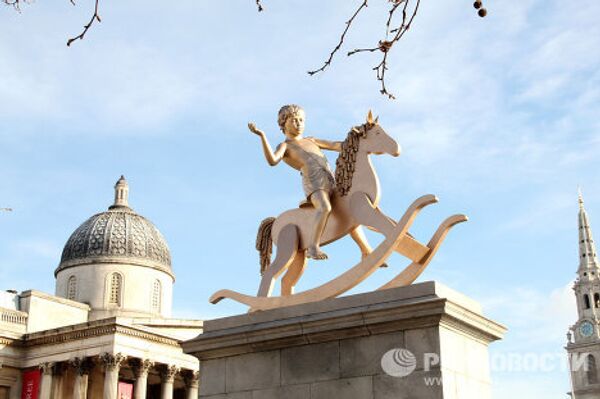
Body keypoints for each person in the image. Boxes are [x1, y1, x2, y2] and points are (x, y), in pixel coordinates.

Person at [248, 104, 342, 260]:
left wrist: (359, 137)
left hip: (330, 179)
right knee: (325, 208)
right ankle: (313, 247)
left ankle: (365, 250)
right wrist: (262, 136)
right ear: (284, 124)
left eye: (301, 120)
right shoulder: (285, 146)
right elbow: (272, 160)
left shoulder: (311, 140)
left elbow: (335, 145)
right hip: (314, 183)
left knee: (347, 207)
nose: (299, 123)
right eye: (294, 120)